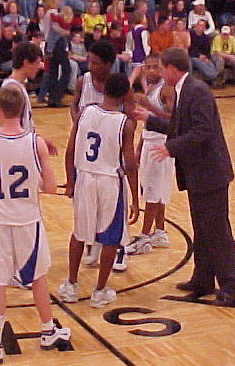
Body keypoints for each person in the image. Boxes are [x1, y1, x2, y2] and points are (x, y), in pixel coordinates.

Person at [133, 47, 235, 307]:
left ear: (173, 69)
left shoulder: (197, 91)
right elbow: (180, 126)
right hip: (198, 172)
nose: (160, 73)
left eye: (162, 68)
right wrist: (149, 119)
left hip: (211, 172)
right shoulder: (185, 90)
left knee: (217, 230)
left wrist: (170, 148)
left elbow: (203, 131)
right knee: (202, 228)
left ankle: (231, 285)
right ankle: (203, 279)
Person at [0, 86, 71, 364]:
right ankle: (48, 330)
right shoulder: (36, 143)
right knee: (38, 278)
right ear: (23, 110)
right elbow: (50, 188)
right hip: (28, 221)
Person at [59, 73, 139, 307]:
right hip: (109, 181)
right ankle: (100, 291)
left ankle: (71, 285)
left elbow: (70, 149)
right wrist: (135, 198)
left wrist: (70, 181)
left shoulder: (85, 112)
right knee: (111, 238)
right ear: (125, 95)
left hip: (84, 177)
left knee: (79, 233)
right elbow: (130, 164)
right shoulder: (125, 123)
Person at [126, 55, 174, 255]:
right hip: (149, 142)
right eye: (148, 67)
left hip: (161, 145)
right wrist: (139, 146)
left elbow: (174, 120)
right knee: (156, 190)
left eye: (156, 67)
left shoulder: (167, 90)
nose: (152, 71)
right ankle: (160, 232)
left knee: (153, 192)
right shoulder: (152, 88)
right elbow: (148, 123)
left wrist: (149, 106)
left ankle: (144, 237)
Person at [2, 42, 58, 156]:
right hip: (16, 151)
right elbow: (11, 128)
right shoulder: (12, 90)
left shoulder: (18, 86)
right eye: (37, 62)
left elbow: (24, 125)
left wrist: (39, 139)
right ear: (26, 62)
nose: (40, 67)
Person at [70, 41, 115, 120]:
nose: (89, 66)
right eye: (89, 62)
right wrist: (77, 123)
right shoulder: (82, 81)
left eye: (95, 63)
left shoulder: (120, 86)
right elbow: (74, 106)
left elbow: (130, 118)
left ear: (108, 64)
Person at [125, 11, 150, 92]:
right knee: (133, 76)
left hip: (136, 54)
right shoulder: (144, 31)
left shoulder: (132, 32)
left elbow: (131, 45)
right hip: (142, 56)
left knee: (143, 77)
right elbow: (145, 45)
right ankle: (126, 89)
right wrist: (147, 56)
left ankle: (146, 92)